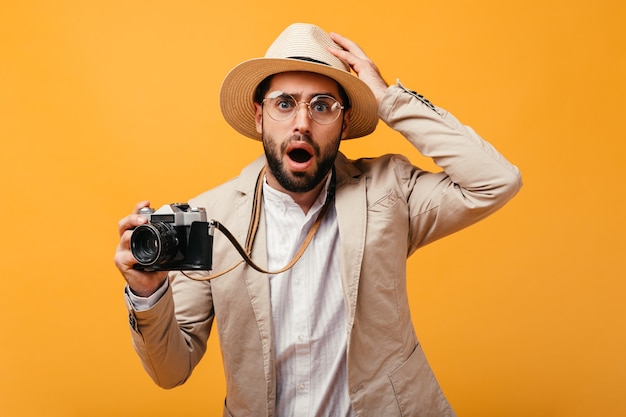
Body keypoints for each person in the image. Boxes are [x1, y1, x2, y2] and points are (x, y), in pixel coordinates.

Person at [114, 23, 522, 417]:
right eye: (285, 103)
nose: (302, 124)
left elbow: (496, 181)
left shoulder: (388, 191)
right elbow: (170, 371)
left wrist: (387, 99)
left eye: (322, 106)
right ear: (259, 116)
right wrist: (147, 293)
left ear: (345, 121)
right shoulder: (208, 219)